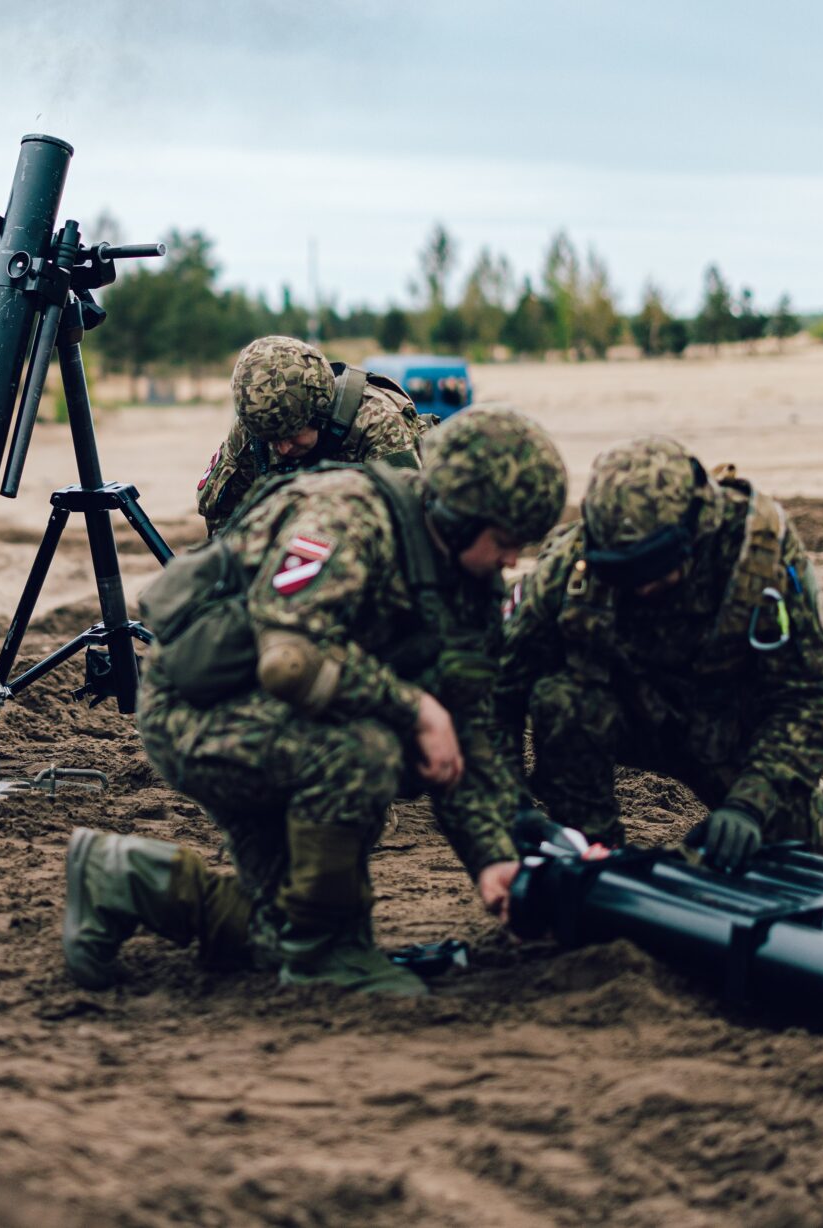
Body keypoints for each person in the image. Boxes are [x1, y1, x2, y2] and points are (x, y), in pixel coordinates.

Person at [67, 403, 568, 996]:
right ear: (459, 517)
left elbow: (468, 732)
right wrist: (415, 709)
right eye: (505, 541)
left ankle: (121, 877)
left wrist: (493, 859)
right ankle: (331, 954)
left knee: (279, 925)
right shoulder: (348, 515)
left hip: (288, 723)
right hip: (202, 715)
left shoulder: (468, 583)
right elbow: (291, 659)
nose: (513, 561)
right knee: (365, 750)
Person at [498, 434, 823, 872]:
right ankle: (595, 862)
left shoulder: (759, 553)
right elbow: (501, 686)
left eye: (654, 566)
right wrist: (511, 806)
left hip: (728, 725)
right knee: (561, 699)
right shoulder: (575, 563)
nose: (640, 586)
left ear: (696, 525)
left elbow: (812, 698)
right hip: (622, 710)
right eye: (621, 571)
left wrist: (750, 803)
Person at [194, 335, 426, 535]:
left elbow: (411, 523)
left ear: (321, 414)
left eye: (291, 435)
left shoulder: (378, 422)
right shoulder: (255, 426)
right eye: (272, 441)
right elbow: (221, 515)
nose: (283, 449)